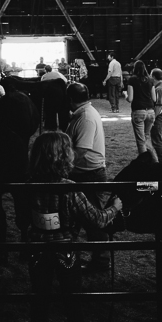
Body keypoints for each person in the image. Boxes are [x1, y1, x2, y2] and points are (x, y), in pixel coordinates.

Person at [23, 131, 123, 322]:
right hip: (65, 251)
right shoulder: (70, 190)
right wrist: (116, 208)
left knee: (39, 306)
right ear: (62, 157)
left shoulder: (27, 186)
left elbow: (22, 219)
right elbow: (97, 220)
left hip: (37, 251)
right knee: (73, 310)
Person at [64, 82, 112, 273]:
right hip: (86, 172)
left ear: (70, 99)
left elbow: (81, 150)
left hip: (87, 173)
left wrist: (61, 166)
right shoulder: (85, 114)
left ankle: (100, 261)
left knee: (93, 220)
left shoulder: (85, 117)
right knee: (86, 217)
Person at [125, 60, 158, 160]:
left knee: (140, 141)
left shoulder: (132, 80)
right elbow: (154, 99)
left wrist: (125, 94)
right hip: (150, 111)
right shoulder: (151, 80)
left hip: (138, 111)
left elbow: (130, 99)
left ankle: (145, 164)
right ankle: (155, 161)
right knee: (147, 138)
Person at [150, 68, 162, 162]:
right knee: (158, 141)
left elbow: (159, 106)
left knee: (158, 142)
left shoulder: (159, 89)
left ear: (154, 76)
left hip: (159, 120)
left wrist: (153, 117)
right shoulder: (160, 88)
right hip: (161, 119)